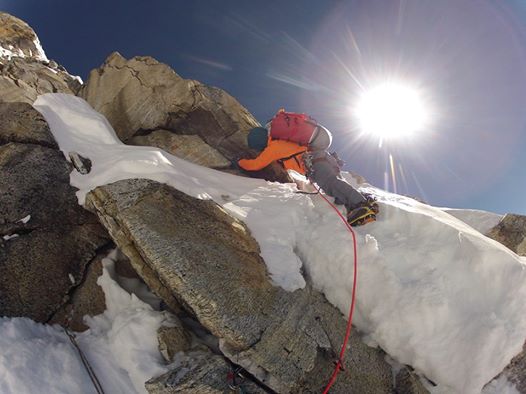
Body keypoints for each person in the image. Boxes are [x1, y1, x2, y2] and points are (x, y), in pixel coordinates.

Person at [238, 110, 378, 226]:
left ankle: (361, 204)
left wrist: (239, 162)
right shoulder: (282, 142)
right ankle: (360, 203)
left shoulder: (273, 147)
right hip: (320, 159)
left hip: (316, 161)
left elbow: (255, 165)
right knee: (331, 186)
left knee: (330, 183)